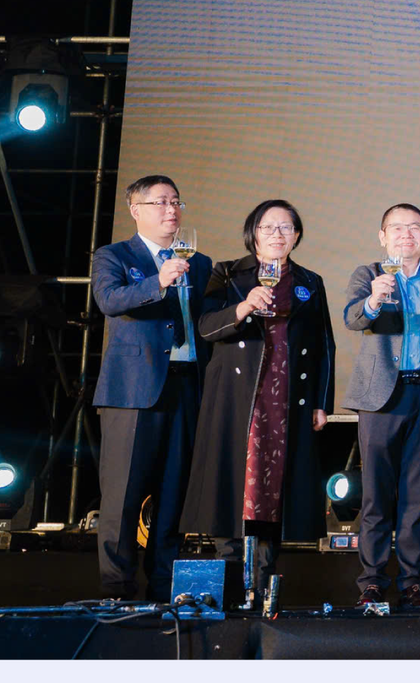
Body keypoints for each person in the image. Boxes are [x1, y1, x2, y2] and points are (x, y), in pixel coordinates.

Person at [181, 200, 335, 598]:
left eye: (286, 228)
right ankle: (230, 578)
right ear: (253, 234)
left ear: (296, 236)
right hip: (238, 396)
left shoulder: (310, 281)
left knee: (275, 485)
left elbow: (324, 345)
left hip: (287, 395)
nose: (277, 235)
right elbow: (206, 328)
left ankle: (265, 580)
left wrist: (321, 401)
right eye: (268, 227)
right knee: (232, 480)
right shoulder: (227, 273)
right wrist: (244, 306)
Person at [89, 174, 212, 600]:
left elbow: (206, 321)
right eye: (160, 202)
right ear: (135, 210)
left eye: (176, 201)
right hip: (132, 390)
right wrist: (158, 281)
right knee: (123, 494)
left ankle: (164, 586)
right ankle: (117, 588)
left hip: (186, 386)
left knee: (173, 493)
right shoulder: (114, 255)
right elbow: (109, 300)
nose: (171, 210)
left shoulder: (199, 261)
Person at [340, 203, 420, 614]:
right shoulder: (368, 274)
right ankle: (372, 583)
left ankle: (413, 582)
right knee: (377, 495)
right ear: (383, 236)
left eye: (414, 228)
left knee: (417, 496)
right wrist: (374, 300)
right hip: (381, 398)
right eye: (396, 228)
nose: (405, 235)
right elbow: (353, 319)